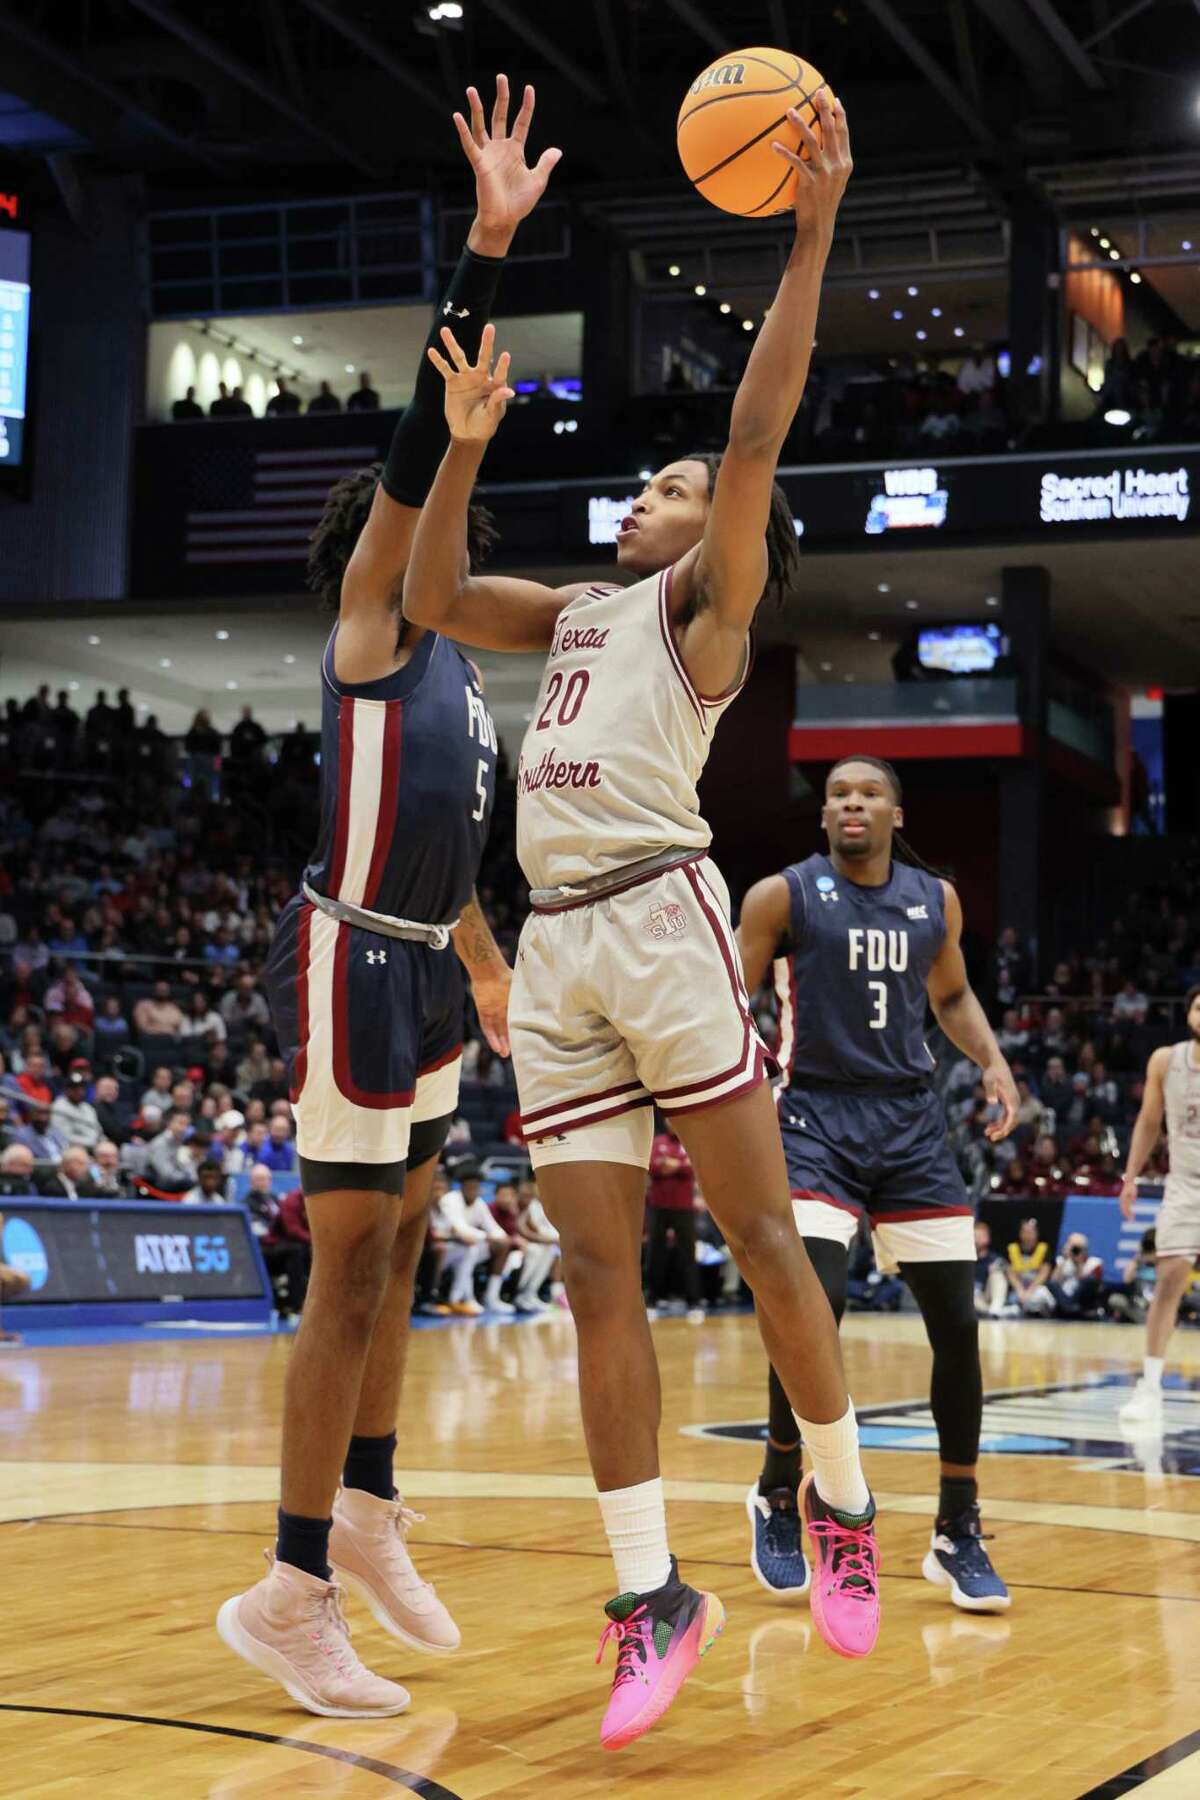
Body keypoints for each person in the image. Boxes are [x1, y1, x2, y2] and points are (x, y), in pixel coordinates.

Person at [406, 89, 878, 1746]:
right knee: (597, 1270)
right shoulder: (578, 610)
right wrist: (461, 442)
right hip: (557, 950)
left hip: (666, 921)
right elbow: (434, 598)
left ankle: (838, 1499)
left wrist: (810, 235)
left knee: (759, 1237)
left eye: (672, 484)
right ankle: (648, 1592)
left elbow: (753, 440)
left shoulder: (705, 615)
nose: (654, 489)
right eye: (657, 480)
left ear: (722, 535)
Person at [217, 74, 559, 1719]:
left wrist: (487, 964)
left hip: (428, 969)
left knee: (413, 1246)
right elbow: (418, 471)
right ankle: (289, 1587)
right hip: (352, 969)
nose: (445, 529)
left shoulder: (463, 684)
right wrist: (485, 254)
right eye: (422, 517)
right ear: (378, 540)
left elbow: (452, 847)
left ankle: (365, 1504)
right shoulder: (372, 628)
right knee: (348, 1273)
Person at [736, 755, 1018, 1615]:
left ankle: (956, 1527)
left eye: (868, 794)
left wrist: (995, 1062)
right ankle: (782, 1488)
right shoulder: (782, 896)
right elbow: (731, 996)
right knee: (811, 1305)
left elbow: (956, 993)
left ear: (897, 812)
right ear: (824, 815)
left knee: (959, 1329)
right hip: (814, 1116)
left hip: (910, 1123)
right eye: (838, 795)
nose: (851, 804)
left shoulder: (936, 901)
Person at [1119, 987, 1200, 1423]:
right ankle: (1149, 1388)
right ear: (1188, 1014)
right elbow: (1149, 1122)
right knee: (1170, 1278)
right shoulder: (1166, 1061)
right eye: (1197, 1005)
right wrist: (1130, 1178)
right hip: (1186, 1184)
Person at [645, 1124, 703, 1322]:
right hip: (658, 1206)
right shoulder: (658, 1142)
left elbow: (695, 1164)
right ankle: (652, 1301)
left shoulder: (690, 1140)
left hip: (684, 1207)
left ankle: (694, 1303)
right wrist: (672, 1165)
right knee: (655, 1253)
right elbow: (650, 1164)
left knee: (688, 1253)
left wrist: (675, 1165)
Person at [1004, 1217, 1054, 1314]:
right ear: (1020, 1233)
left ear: (1036, 1233)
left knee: (1042, 1295)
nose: (1028, 1235)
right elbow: (1010, 1273)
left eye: (1031, 1232)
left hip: (1035, 1288)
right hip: (1018, 1290)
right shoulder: (1012, 1248)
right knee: (1012, 1299)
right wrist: (1020, 1291)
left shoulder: (1043, 1248)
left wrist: (1029, 1292)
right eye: (1025, 1232)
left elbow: (1044, 1273)